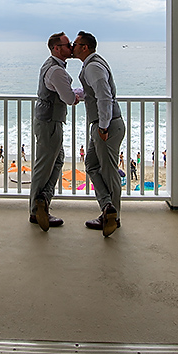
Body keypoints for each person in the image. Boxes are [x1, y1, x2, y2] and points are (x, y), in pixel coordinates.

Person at [73, 31, 125, 237]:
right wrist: (78, 93)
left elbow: (104, 96)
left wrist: (103, 127)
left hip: (107, 126)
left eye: (75, 44)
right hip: (102, 125)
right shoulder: (92, 64)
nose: (73, 47)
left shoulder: (93, 66)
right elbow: (95, 92)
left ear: (85, 47)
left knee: (109, 172)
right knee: (92, 165)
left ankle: (114, 216)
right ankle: (108, 207)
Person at [30, 32, 82, 232]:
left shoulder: (51, 66)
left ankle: (43, 200)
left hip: (47, 121)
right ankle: (36, 210)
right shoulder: (56, 71)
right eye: (67, 44)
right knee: (44, 167)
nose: (70, 47)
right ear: (56, 48)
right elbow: (68, 99)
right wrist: (77, 96)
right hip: (50, 123)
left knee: (57, 160)